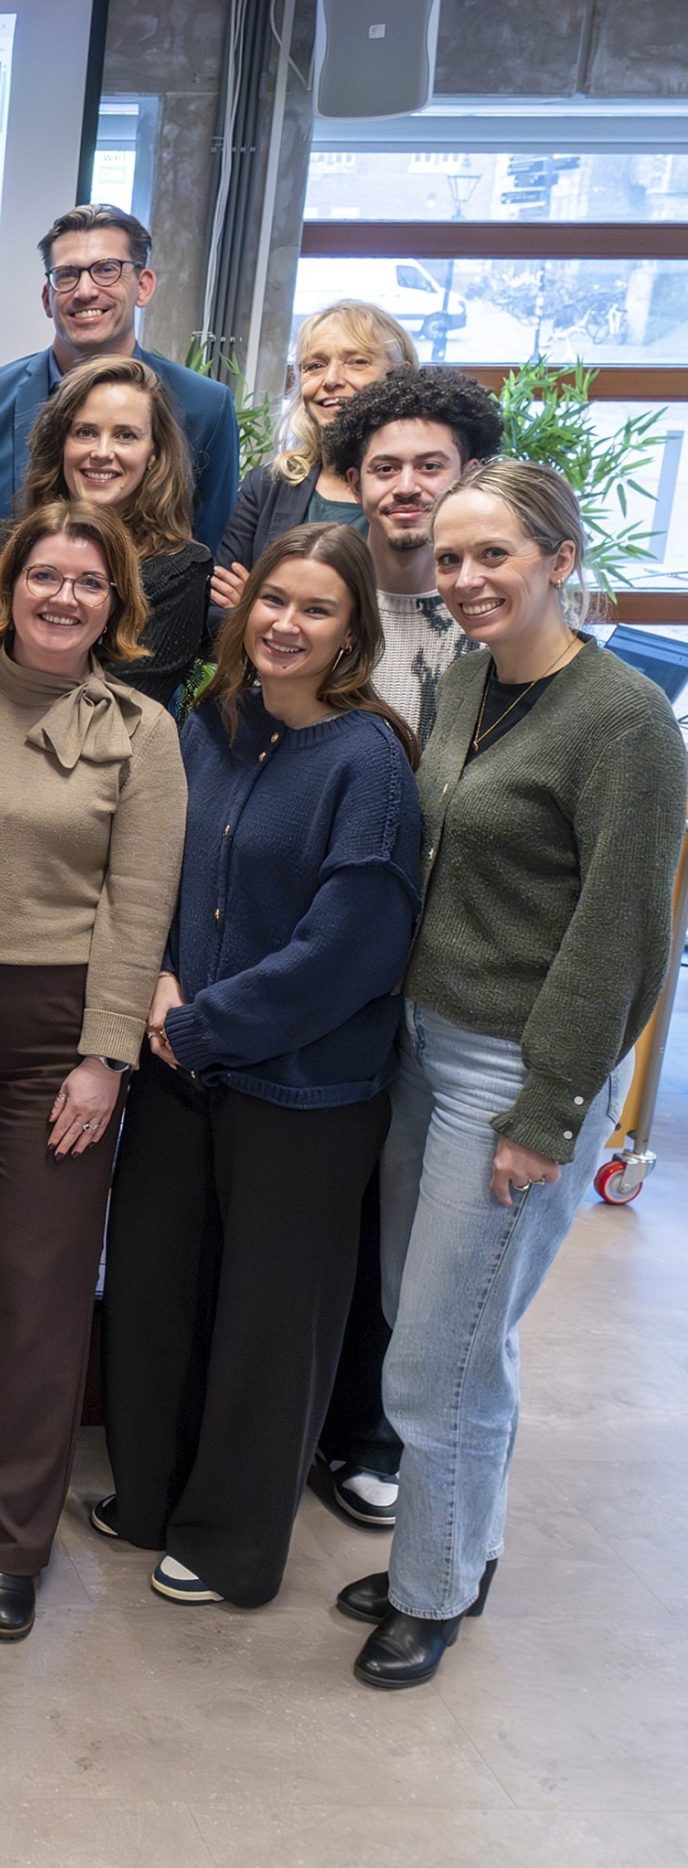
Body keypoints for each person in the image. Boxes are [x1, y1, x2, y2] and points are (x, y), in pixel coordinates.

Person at [342, 462, 686, 1688]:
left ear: (558, 557)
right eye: (449, 558)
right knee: (446, 1328)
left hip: (513, 1067)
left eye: (494, 553)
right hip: (421, 1043)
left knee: (437, 1354)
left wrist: (547, 1113)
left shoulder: (624, 722)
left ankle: (430, 1591)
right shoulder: (468, 679)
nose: (466, 578)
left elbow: (620, 936)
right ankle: (460, 1546)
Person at [96, 523, 422, 1610]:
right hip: (180, 1064)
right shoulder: (210, 722)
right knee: (154, 1292)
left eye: (316, 609)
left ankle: (232, 1546)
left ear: (351, 632)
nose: (285, 623)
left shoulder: (368, 761)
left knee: (266, 1327)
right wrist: (157, 981)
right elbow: (158, 868)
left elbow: (352, 947)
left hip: (302, 1090)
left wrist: (201, 1023)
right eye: (273, 600)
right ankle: (150, 1494)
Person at [0, 500, 187, 1643]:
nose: (63, 596)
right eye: (44, 574)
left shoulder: (142, 731)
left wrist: (106, 1056)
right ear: (7, 585)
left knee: (35, 1278)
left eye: (88, 583)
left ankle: (10, 1534)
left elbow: (139, 905)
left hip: (58, 1021)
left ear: (116, 606)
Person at [0, 205, 238, 557]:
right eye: (66, 275)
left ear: (143, 287)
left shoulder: (205, 406)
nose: (85, 291)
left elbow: (208, 552)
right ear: (47, 298)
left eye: (106, 270)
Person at [0, 354, 212, 709]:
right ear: (61, 443)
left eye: (125, 436)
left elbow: (123, 710)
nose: (102, 452)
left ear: (154, 453)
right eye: (85, 432)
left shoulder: (177, 571)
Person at [319, 365, 506, 744]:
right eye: (386, 468)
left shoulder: (495, 619)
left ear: (469, 476)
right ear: (356, 484)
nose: (406, 486)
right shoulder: (318, 609)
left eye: (430, 467)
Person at [208, 302, 416, 613]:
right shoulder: (268, 487)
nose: (331, 379)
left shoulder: (428, 491)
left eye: (357, 362)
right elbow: (219, 607)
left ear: (400, 376)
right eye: (314, 366)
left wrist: (258, 609)